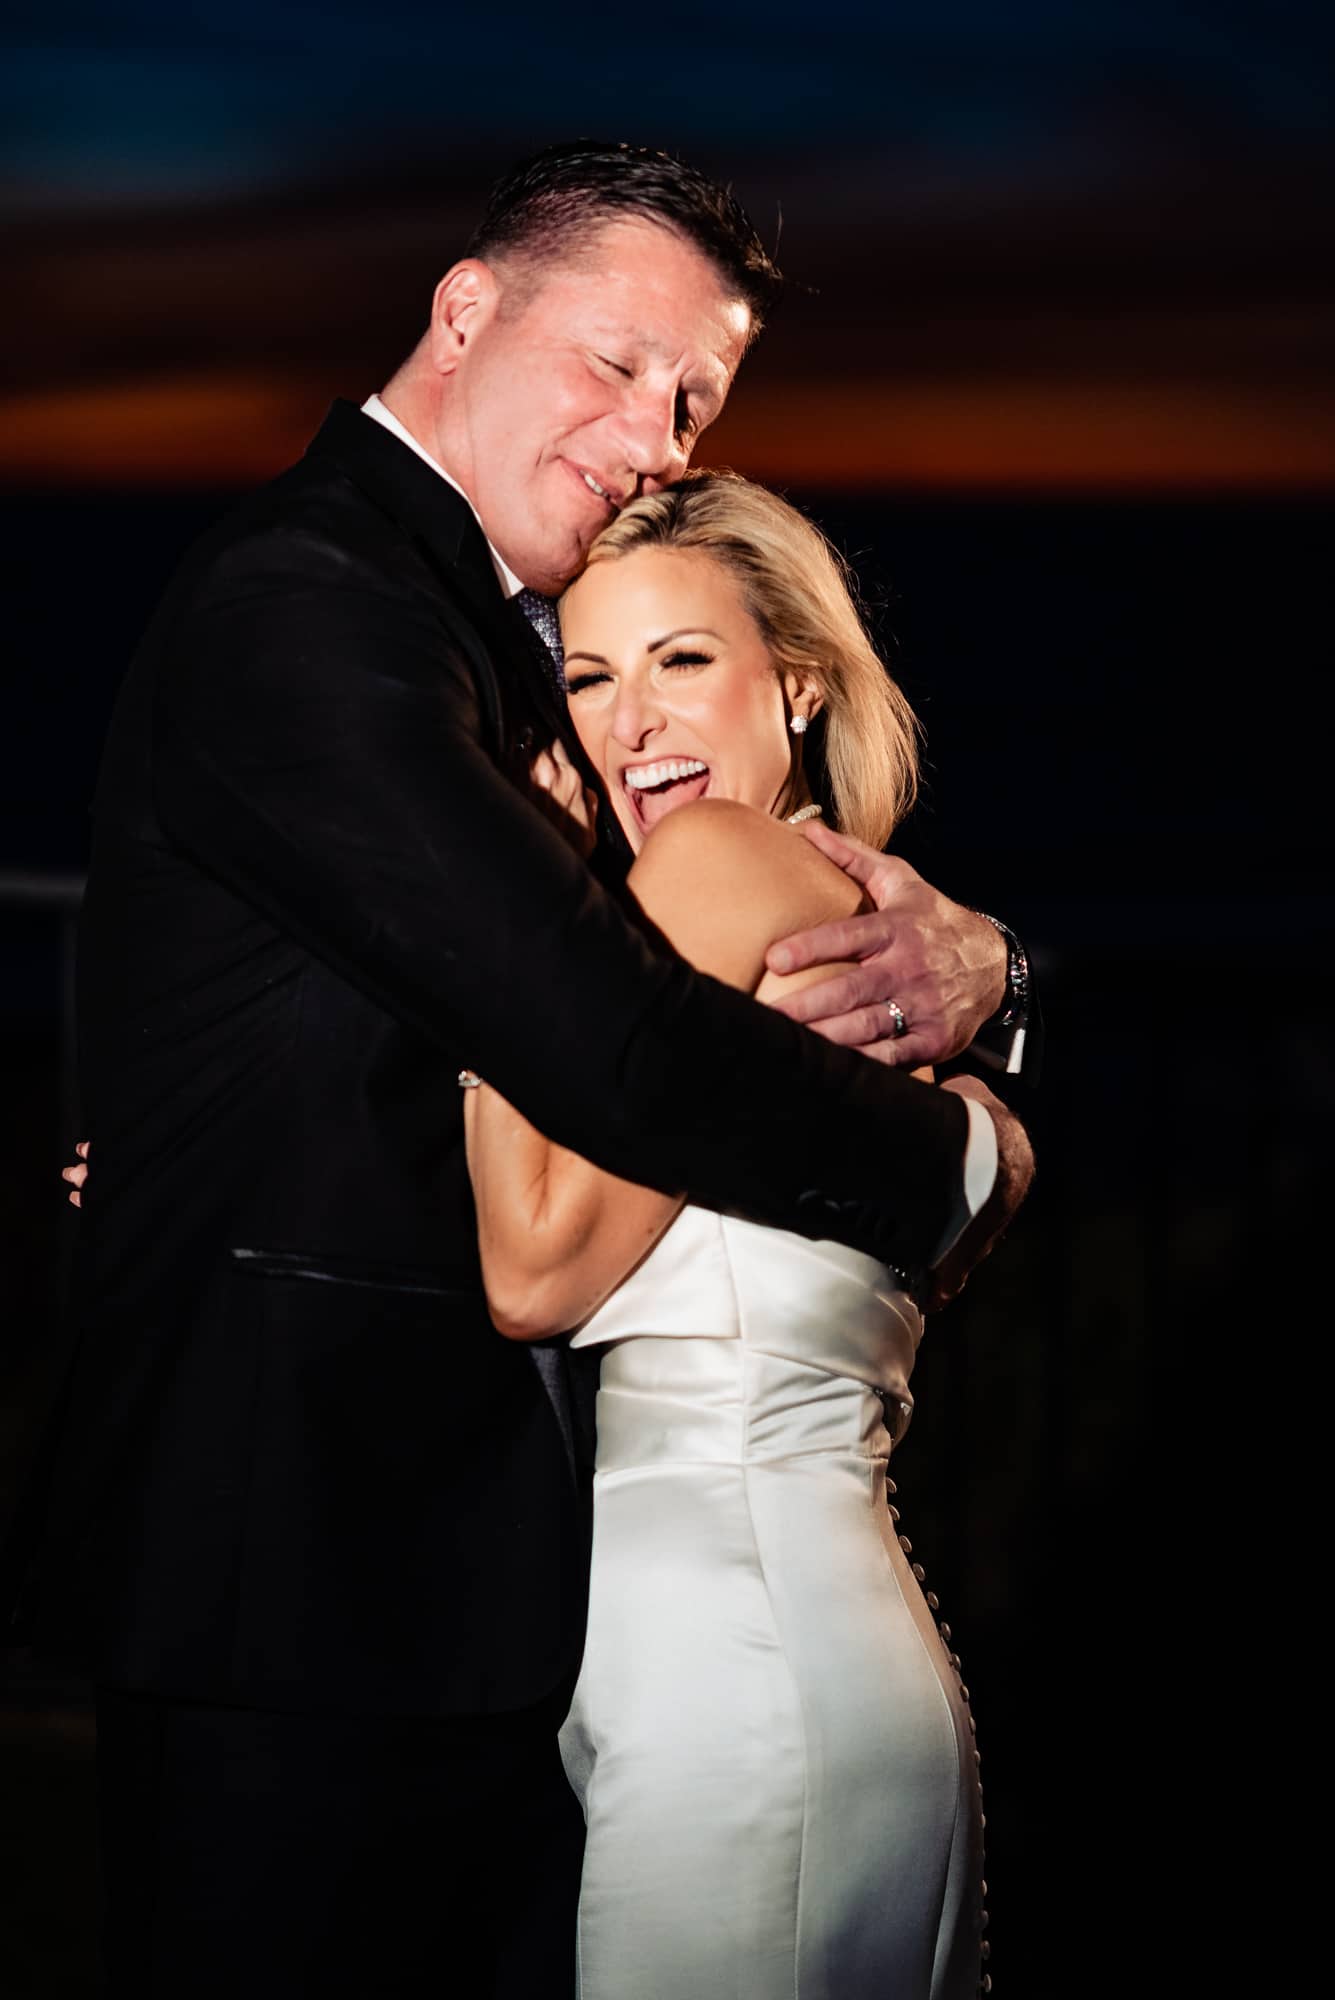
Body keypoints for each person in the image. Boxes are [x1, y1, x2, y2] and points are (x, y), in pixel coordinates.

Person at [23, 141, 1033, 1998]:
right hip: (301, 1576)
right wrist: (961, 1161)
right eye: (616, 361)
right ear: (463, 311)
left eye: (695, 398)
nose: (654, 431)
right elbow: (606, 1036)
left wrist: (995, 967)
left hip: (476, 1596)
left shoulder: (472, 635)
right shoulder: (313, 602)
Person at [463, 471, 1003, 1999]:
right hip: (774, 1641)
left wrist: (527, 909)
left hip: (740, 1663)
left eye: (681, 662)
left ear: (801, 682)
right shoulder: (833, 904)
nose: (628, 723)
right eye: (587, 674)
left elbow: (528, 1270)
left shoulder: (707, 875)